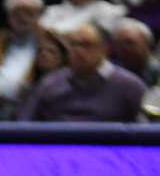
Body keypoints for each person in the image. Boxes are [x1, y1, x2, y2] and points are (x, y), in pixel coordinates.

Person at [18, 22, 146, 122]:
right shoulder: (50, 83)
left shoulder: (129, 85)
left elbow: (149, 130)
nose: (77, 51)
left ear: (104, 49)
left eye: (86, 45)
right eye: (73, 44)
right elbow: (24, 124)